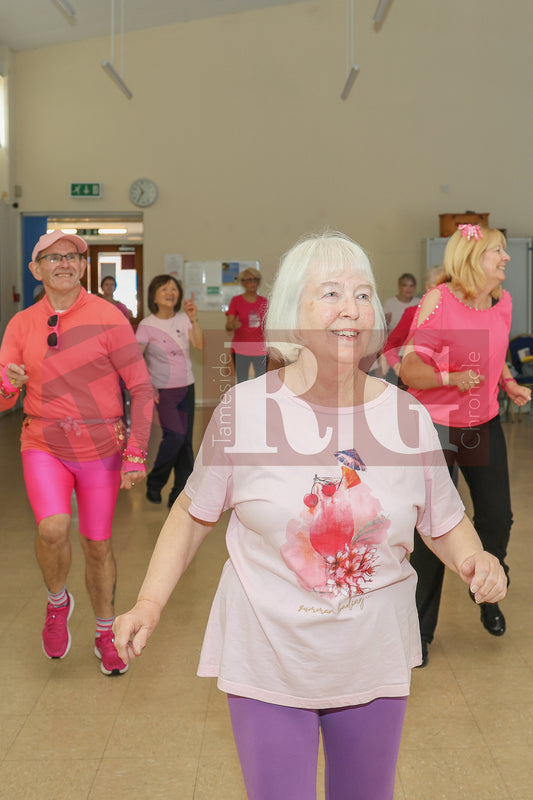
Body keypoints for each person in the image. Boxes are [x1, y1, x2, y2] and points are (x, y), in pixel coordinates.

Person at [114, 231, 506, 800]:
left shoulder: (406, 416)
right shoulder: (244, 411)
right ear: (292, 316)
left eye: (363, 294)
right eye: (330, 292)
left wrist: (474, 559)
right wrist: (149, 602)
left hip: (372, 657)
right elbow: (193, 513)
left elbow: (443, 518)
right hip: (268, 654)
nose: (351, 307)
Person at [0, 230, 153, 675]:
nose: (64, 263)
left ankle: (105, 632)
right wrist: (9, 382)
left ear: (83, 267)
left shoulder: (109, 318)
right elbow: (3, 399)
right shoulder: (21, 324)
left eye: (72, 257)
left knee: (97, 545)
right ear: (36, 270)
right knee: (53, 528)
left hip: (100, 446)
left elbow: (141, 388)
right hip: (43, 440)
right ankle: (57, 602)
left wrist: (137, 452)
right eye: (53, 258)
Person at [400, 224, 531, 666]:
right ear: (473, 257)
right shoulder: (440, 300)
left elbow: (493, 360)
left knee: (497, 518)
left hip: (482, 422)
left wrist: (509, 384)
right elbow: (409, 370)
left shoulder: (504, 303)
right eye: (498, 251)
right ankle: (417, 634)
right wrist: (451, 379)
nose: (506, 258)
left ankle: (488, 590)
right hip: (437, 426)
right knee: (436, 530)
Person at [136, 275, 204, 508]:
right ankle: (155, 482)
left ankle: (179, 492)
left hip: (187, 386)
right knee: (174, 437)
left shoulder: (185, 319)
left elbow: (200, 345)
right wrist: (148, 383)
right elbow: (136, 358)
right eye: (164, 288)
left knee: (185, 443)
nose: (170, 292)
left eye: (174, 288)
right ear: (154, 295)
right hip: (162, 389)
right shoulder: (147, 325)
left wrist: (194, 320)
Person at [380, 266, 443, 383]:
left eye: (447, 285)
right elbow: (390, 344)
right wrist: (397, 366)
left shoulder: (458, 313)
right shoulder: (413, 312)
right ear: (428, 288)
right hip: (419, 381)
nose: (443, 290)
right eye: (437, 285)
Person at [225, 267, 268, 382]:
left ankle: (258, 401)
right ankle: (243, 401)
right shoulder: (236, 301)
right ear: (243, 283)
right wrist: (233, 324)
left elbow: (269, 324)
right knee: (242, 381)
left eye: (255, 279)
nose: (252, 283)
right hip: (241, 350)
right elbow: (228, 326)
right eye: (249, 280)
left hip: (261, 350)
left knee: (261, 382)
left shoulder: (264, 302)